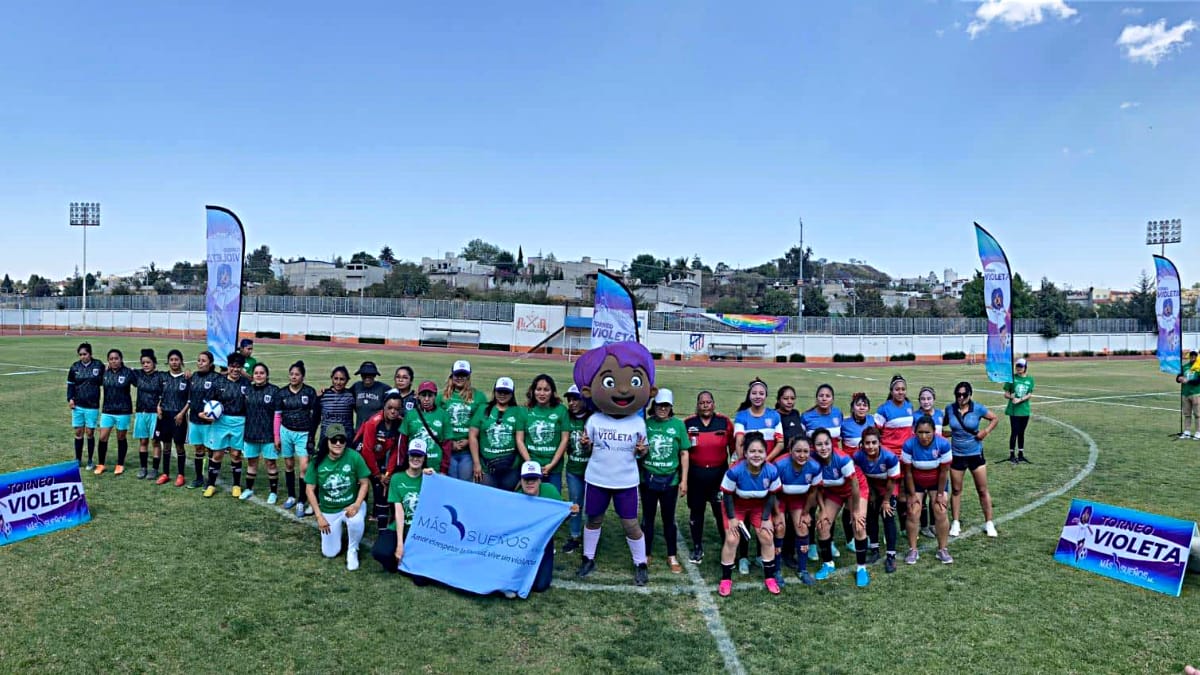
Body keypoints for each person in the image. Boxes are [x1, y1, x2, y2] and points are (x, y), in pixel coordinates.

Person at [573, 341, 655, 587]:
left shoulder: (638, 422)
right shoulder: (595, 419)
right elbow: (586, 449)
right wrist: (585, 445)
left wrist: (643, 451)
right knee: (594, 519)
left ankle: (640, 563)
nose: (621, 390)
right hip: (597, 478)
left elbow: (643, 451)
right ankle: (588, 558)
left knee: (630, 523)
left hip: (626, 481)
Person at [717, 432, 782, 596]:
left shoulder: (772, 471)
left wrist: (766, 519)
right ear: (745, 453)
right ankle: (726, 579)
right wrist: (732, 518)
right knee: (732, 539)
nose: (756, 455)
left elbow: (772, 494)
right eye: (752, 451)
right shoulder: (735, 471)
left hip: (758, 506)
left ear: (766, 454)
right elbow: (727, 495)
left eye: (760, 451)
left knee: (767, 536)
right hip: (736, 505)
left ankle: (769, 577)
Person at [305, 423, 371, 572]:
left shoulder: (354, 456)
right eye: (334, 440)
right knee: (329, 553)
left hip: (350, 505)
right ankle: (338, 532)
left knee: (355, 521)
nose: (338, 443)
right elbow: (310, 489)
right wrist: (319, 516)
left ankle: (352, 550)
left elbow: (364, 483)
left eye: (342, 440)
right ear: (327, 441)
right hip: (329, 508)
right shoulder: (317, 461)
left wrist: (357, 504)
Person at [809, 427, 870, 588]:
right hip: (833, 492)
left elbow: (855, 485)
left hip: (855, 490)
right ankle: (828, 563)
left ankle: (861, 568)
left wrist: (856, 511)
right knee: (822, 524)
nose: (823, 448)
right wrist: (821, 510)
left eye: (826, 443)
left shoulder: (843, 459)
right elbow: (817, 489)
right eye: (819, 444)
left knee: (858, 525)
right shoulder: (813, 460)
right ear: (814, 447)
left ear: (832, 443)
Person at [641, 389, 691, 574]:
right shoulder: (646, 424)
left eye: (666, 406)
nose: (662, 409)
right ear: (654, 406)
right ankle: (646, 553)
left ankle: (672, 555)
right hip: (648, 480)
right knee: (648, 518)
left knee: (669, 519)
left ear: (671, 407)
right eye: (659, 405)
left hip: (670, 481)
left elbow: (684, 453)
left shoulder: (678, 425)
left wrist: (684, 480)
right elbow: (638, 450)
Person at [683, 390, 734, 565]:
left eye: (708, 402)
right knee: (696, 512)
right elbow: (682, 451)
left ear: (714, 404)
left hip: (718, 477)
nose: (705, 405)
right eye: (702, 402)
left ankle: (726, 544)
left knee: (721, 513)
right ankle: (697, 547)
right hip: (695, 476)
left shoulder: (724, 422)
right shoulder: (688, 423)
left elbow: (733, 449)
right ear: (697, 405)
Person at [944, 381, 999, 538]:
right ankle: (955, 522)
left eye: (964, 395)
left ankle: (989, 523)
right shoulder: (950, 409)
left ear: (970, 395)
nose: (961, 398)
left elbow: (994, 418)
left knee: (982, 489)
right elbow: (940, 424)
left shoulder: (978, 408)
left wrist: (985, 431)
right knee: (956, 490)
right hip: (957, 455)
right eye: (958, 395)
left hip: (975, 454)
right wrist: (947, 433)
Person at [371, 438, 434, 573]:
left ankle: (410, 563)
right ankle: (399, 563)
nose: (415, 459)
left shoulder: (430, 479)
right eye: (413, 455)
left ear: (424, 458)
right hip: (400, 527)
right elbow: (399, 513)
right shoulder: (397, 478)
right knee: (380, 552)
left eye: (419, 456)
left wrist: (434, 475)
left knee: (421, 580)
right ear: (408, 456)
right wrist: (400, 544)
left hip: (419, 530)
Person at [515, 460, 577, 594]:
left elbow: (560, 515)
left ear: (540, 480)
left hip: (543, 542)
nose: (530, 482)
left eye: (534, 479)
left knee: (540, 586)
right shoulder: (516, 498)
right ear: (521, 480)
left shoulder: (550, 491)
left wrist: (570, 512)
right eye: (526, 479)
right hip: (520, 543)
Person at [901, 416, 954, 564]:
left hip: (937, 482)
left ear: (934, 431)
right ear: (915, 432)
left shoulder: (943, 444)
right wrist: (911, 495)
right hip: (916, 482)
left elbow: (944, 472)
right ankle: (913, 550)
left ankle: (942, 549)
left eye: (927, 432)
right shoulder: (908, 445)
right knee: (912, 511)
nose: (924, 436)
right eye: (920, 432)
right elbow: (908, 472)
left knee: (940, 510)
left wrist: (940, 494)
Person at [773, 435, 822, 585]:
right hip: (779, 499)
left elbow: (813, 492)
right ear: (790, 451)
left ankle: (802, 569)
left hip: (798, 500)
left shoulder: (814, 467)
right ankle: (776, 570)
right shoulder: (779, 465)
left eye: (806, 451)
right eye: (798, 451)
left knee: (802, 527)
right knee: (780, 527)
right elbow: (772, 492)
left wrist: (806, 513)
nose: (802, 455)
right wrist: (776, 514)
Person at [201, 352, 250, 499]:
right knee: (217, 454)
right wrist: (205, 414)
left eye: (238, 367)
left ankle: (236, 485)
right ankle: (211, 485)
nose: (235, 370)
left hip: (239, 422)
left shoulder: (246, 384)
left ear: (241, 368)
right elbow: (208, 403)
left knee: (236, 454)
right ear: (228, 367)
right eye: (232, 366)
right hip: (220, 421)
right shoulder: (219, 382)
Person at [852, 427, 900, 573]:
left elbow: (892, 481)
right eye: (867, 443)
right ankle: (874, 549)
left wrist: (886, 501)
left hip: (888, 488)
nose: (871, 446)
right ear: (862, 443)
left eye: (874, 442)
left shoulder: (890, 457)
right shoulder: (858, 456)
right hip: (870, 487)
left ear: (879, 442)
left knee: (888, 515)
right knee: (871, 515)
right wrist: (871, 492)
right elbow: (861, 477)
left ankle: (891, 555)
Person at [275, 360, 320, 516]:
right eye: (292, 374)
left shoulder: (309, 392)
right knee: (288, 464)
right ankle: (291, 496)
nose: (293, 377)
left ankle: (301, 500)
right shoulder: (282, 393)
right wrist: (276, 436)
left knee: (304, 467)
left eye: (297, 374)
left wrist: (312, 435)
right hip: (285, 431)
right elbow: (278, 415)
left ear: (303, 377)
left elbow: (315, 414)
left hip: (303, 433)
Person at [354, 391, 405, 527]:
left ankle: (379, 513)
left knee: (383, 484)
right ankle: (357, 510)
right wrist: (377, 474)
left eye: (397, 409)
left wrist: (387, 473)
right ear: (384, 406)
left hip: (380, 456)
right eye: (390, 408)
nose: (393, 412)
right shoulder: (373, 422)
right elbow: (367, 451)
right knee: (363, 482)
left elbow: (395, 450)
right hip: (362, 454)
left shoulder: (400, 423)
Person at [468, 377, 524, 491]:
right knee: (487, 498)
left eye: (506, 392)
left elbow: (520, 440)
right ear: (494, 391)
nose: (502, 394)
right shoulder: (483, 409)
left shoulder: (518, 411)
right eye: (499, 391)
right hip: (486, 466)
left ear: (512, 394)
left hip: (510, 467)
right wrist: (477, 463)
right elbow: (472, 436)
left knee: (507, 500)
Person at [387, 380, 452, 476]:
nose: (426, 399)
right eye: (423, 395)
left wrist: (444, 469)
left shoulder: (443, 415)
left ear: (435, 396)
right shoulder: (411, 415)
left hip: (435, 465)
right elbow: (402, 443)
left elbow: (447, 445)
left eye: (430, 395)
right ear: (418, 396)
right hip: (413, 465)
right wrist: (401, 464)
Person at [517, 374, 569, 492]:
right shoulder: (525, 410)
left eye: (546, 390)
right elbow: (519, 439)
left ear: (552, 392)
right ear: (533, 391)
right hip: (530, 465)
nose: (542, 393)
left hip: (553, 467)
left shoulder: (561, 410)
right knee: (529, 502)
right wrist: (530, 463)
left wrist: (552, 464)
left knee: (552, 500)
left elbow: (564, 440)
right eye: (538, 389)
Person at [241, 363, 281, 503]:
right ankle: (249, 489)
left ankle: (273, 492)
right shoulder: (247, 390)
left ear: (267, 375)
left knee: (270, 463)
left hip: (268, 435)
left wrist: (277, 436)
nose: (259, 375)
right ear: (253, 375)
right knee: (252, 462)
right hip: (251, 433)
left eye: (262, 373)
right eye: (256, 373)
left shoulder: (274, 391)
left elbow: (278, 415)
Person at [440, 360, 484, 482]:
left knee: (464, 482)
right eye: (457, 374)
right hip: (448, 449)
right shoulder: (442, 397)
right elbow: (438, 424)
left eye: (463, 375)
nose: (460, 378)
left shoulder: (479, 397)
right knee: (451, 482)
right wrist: (450, 443)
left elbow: (483, 424)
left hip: (468, 452)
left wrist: (469, 440)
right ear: (452, 375)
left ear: (468, 376)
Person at [95, 349, 136, 476]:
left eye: (116, 358)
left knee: (121, 437)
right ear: (108, 361)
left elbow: (139, 382)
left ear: (121, 359)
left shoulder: (128, 372)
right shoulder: (104, 372)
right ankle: (101, 464)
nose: (114, 361)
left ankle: (120, 464)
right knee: (102, 437)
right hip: (107, 410)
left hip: (123, 411)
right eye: (111, 359)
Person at [562, 384, 591, 553]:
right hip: (573, 469)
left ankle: (591, 535)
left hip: (591, 471)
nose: (572, 403)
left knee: (592, 506)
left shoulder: (593, 418)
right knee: (575, 503)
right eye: (570, 399)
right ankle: (574, 535)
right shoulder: (566, 417)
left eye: (576, 399)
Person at [154, 349, 190, 486]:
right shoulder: (163, 377)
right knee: (166, 446)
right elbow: (160, 395)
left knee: (179, 446)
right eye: (171, 360)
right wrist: (158, 406)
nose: (174, 362)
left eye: (176, 359)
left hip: (179, 416)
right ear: (168, 362)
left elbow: (189, 399)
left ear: (181, 361)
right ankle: (165, 474)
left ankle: (181, 475)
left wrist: (182, 413)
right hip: (164, 415)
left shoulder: (187, 378)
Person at [182, 351, 218, 488]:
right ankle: (198, 478)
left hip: (209, 421)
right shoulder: (194, 377)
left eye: (203, 360)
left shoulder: (216, 378)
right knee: (198, 449)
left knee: (210, 450)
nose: (200, 363)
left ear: (211, 363)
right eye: (198, 360)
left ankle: (210, 480)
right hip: (194, 419)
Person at [132, 349, 167, 480]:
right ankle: (143, 468)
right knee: (143, 441)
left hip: (155, 414)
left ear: (154, 363)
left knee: (155, 442)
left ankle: (154, 469)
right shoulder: (138, 374)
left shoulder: (161, 376)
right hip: (141, 412)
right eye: (143, 363)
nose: (145, 365)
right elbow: (122, 369)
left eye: (148, 362)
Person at [67, 342, 103, 469]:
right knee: (78, 432)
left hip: (92, 405)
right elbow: (70, 384)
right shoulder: (75, 367)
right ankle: (77, 459)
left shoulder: (98, 365)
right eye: (80, 354)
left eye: (85, 354)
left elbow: (107, 378)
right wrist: (70, 399)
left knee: (90, 432)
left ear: (90, 353)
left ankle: (90, 460)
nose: (83, 356)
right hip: (78, 405)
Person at [734, 379, 782, 461]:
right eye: (754, 393)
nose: (757, 396)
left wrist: (765, 461)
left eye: (761, 393)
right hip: (748, 464)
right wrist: (745, 463)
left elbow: (780, 443)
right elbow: (739, 443)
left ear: (766, 395)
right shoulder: (741, 416)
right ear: (749, 395)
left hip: (768, 463)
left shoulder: (774, 415)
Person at [1004, 358, 1037, 461]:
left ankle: (1021, 454)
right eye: (1017, 366)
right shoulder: (1011, 378)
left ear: (1025, 367)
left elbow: (1029, 394)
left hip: (1024, 410)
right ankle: (1012, 454)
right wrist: (1012, 397)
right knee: (1014, 432)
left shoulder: (1030, 379)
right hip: (1014, 410)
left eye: (1021, 366)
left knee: (1022, 432)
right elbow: (1006, 394)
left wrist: (1020, 400)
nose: (1018, 368)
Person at [876, 375, 915, 453]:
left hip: (907, 452)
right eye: (897, 389)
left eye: (903, 389)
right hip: (890, 452)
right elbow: (876, 431)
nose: (900, 392)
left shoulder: (909, 406)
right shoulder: (883, 409)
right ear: (891, 391)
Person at [315, 366, 354, 443]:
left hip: (346, 438)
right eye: (336, 378)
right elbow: (315, 419)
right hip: (326, 438)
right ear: (332, 378)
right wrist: (311, 437)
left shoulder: (351, 395)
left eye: (342, 379)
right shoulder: (323, 395)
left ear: (347, 380)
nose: (338, 382)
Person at [800, 384, 843, 452]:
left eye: (828, 396)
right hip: (813, 457)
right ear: (816, 398)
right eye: (821, 396)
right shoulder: (806, 416)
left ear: (833, 399)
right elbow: (800, 440)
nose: (824, 399)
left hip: (835, 457)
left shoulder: (837, 413)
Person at [350, 361, 389, 432]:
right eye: (364, 374)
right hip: (360, 431)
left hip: (377, 431)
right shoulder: (356, 386)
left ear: (375, 375)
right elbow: (344, 394)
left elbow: (397, 397)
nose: (367, 377)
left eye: (371, 374)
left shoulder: (383, 388)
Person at [1177, 351, 1200, 440]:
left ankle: (1198, 432)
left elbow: (1198, 381)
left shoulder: (1199, 366)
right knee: (1187, 414)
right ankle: (1187, 431)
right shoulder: (1185, 366)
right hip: (1185, 393)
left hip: (1195, 393)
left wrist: (1188, 381)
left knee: (1198, 414)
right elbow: (1178, 377)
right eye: (1191, 356)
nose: (1193, 358)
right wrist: (1179, 378)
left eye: (1194, 356)